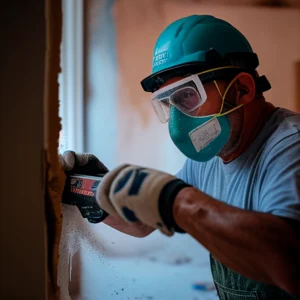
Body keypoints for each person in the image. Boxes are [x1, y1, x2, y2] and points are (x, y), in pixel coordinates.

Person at [60, 15, 300, 299]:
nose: (177, 121)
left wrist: (177, 200)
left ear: (242, 89)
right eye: (168, 102)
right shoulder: (211, 157)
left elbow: (289, 265)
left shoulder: (289, 147)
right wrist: (98, 194)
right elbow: (144, 223)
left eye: (187, 96)